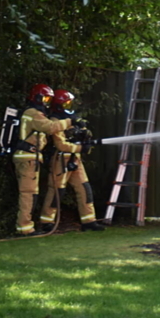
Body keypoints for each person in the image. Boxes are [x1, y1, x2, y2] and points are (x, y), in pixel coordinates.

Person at [11, 84, 73, 236]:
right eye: (44, 98)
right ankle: (25, 228)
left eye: (48, 99)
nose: (46, 102)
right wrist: (70, 122)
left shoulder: (34, 113)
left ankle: (26, 227)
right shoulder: (33, 113)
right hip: (28, 158)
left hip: (30, 158)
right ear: (36, 97)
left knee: (31, 193)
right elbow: (50, 127)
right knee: (28, 193)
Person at [40, 89, 105, 232]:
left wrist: (84, 134)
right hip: (60, 159)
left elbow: (78, 137)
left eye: (70, 103)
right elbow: (60, 144)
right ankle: (47, 222)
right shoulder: (55, 121)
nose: (69, 106)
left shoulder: (73, 119)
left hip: (75, 159)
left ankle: (88, 221)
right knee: (57, 191)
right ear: (58, 105)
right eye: (66, 104)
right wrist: (81, 148)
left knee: (84, 188)